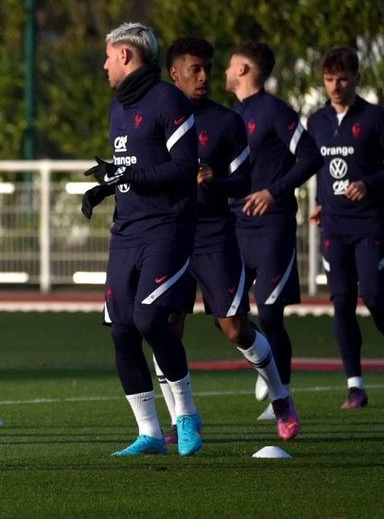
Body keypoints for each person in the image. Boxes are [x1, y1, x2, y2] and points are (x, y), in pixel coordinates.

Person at [157, 37, 299, 442]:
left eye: (207, 68)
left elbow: (243, 181)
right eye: (195, 69)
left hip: (215, 234)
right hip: (169, 235)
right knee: (165, 326)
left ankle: (281, 397)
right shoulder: (157, 118)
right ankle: (181, 418)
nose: (204, 77)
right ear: (175, 73)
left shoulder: (226, 121)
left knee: (235, 329)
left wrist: (214, 181)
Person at [83, 22, 202, 457]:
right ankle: (149, 432)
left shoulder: (169, 101)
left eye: (109, 56)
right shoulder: (119, 106)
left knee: (151, 318)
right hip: (126, 230)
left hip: (167, 227)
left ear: (127, 57)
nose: (104, 65)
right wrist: (105, 187)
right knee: (121, 330)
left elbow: (184, 168)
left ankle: (186, 415)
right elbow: (130, 168)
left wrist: (128, 175)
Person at [224, 41, 323, 417]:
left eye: (231, 65)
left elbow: (311, 156)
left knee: (269, 312)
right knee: (225, 312)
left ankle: (281, 389)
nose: (226, 71)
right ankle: (262, 355)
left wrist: (274, 191)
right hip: (234, 227)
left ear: (245, 69)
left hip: (272, 227)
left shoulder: (275, 111)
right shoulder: (231, 116)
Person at [307, 46, 384, 409]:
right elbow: (318, 168)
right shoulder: (316, 121)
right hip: (334, 226)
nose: (335, 86)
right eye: (328, 80)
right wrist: (321, 202)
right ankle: (355, 385)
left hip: (370, 222)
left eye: (342, 79)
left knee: (373, 295)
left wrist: (369, 183)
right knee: (341, 303)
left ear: (356, 78)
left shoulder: (374, 117)